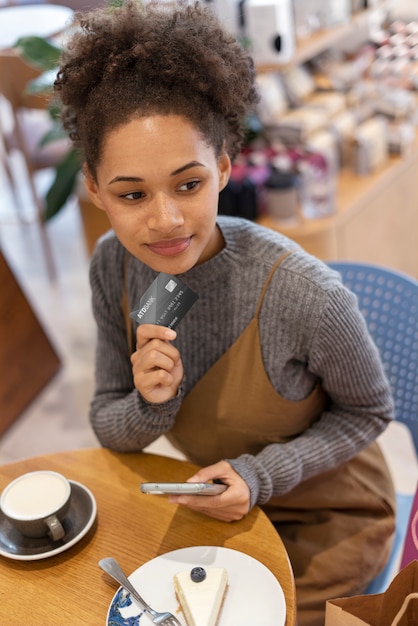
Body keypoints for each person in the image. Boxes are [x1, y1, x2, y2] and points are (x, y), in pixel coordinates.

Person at [54, 2, 396, 624]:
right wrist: (151, 402)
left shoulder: (304, 293)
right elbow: (110, 422)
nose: (166, 220)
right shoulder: (115, 265)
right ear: (96, 190)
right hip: (217, 507)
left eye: (188, 184)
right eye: (132, 194)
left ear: (223, 169)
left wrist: (261, 475)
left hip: (328, 516)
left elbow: (372, 412)